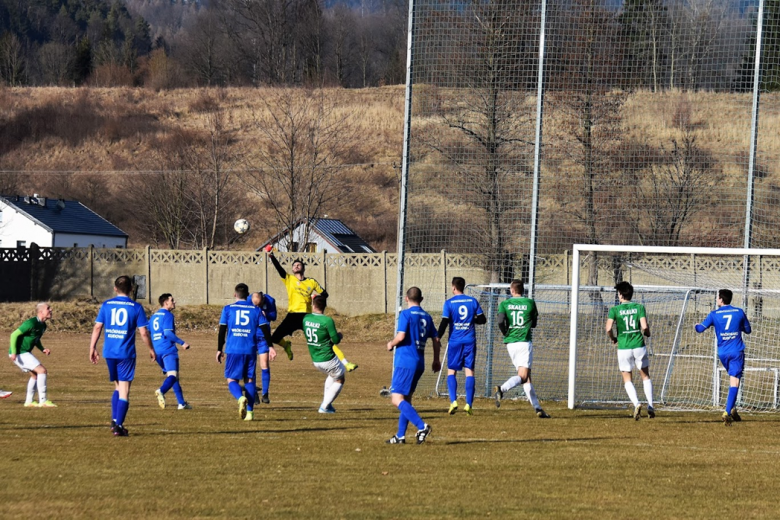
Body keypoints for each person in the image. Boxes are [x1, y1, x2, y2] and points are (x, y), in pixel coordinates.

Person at [267, 251, 357, 371]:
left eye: (298, 264)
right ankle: (286, 345)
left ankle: (346, 363)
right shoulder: (289, 279)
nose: (296, 266)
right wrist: (271, 256)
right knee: (274, 338)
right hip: (293, 315)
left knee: (326, 341)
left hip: (307, 316)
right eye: (294, 265)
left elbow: (325, 294)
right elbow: (279, 269)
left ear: (303, 268)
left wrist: (315, 297)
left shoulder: (311, 282)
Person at [89, 275, 155, 437]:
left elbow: (98, 328)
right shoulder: (136, 307)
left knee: (118, 387)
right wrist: (151, 349)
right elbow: (144, 333)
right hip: (125, 353)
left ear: (115, 288)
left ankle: (114, 420)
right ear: (132, 289)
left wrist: (92, 347)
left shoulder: (106, 305)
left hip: (109, 353)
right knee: (125, 390)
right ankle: (118, 425)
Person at [385, 287, 441, 445]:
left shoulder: (406, 314)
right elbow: (436, 340)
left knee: (396, 399)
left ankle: (422, 426)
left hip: (405, 362)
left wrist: (391, 343)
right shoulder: (427, 316)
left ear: (406, 299)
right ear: (421, 299)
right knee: (406, 399)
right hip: (419, 363)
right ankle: (400, 436)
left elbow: (401, 336)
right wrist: (436, 360)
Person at [493, 279, 551, 418]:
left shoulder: (505, 304)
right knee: (523, 376)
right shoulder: (530, 303)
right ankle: (502, 389)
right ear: (522, 290)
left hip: (510, 344)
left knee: (526, 378)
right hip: (524, 342)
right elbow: (534, 323)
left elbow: (500, 321)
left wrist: (506, 332)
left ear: (512, 290)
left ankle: (538, 409)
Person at [695, 289, 751, 425]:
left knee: (733, 380)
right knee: (735, 381)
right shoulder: (739, 312)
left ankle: (733, 409)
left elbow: (701, 329)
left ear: (720, 299)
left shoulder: (714, 314)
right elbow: (748, 330)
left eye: (717, 297)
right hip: (736, 351)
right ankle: (726, 412)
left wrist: (696, 326)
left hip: (723, 353)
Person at [605, 281, 654, 420]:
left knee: (627, 378)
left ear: (620, 294)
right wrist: (648, 333)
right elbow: (644, 327)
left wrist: (613, 338)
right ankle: (650, 405)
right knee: (645, 376)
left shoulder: (614, 310)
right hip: (639, 345)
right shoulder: (639, 307)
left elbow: (608, 328)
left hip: (624, 347)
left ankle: (637, 403)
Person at [438, 277, 486, 415]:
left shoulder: (449, 303)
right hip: (469, 340)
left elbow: (444, 322)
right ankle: (469, 405)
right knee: (469, 371)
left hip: (455, 341)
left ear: (453, 287)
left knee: (451, 371)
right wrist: (471, 320)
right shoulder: (472, 301)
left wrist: (437, 337)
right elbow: (482, 319)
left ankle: (453, 401)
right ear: (463, 287)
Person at [217, 283, 264, 421]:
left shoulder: (227, 309)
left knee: (231, 379)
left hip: (233, 349)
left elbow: (222, 331)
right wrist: (271, 346)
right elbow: (265, 328)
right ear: (248, 295)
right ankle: (250, 413)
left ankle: (240, 397)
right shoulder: (255, 310)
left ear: (234, 294)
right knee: (249, 380)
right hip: (250, 349)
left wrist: (219, 349)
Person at [303, 295, 346, 413]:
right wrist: (340, 335)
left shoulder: (306, 319)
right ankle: (324, 406)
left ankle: (328, 405)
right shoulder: (327, 321)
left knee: (332, 376)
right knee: (340, 379)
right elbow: (335, 340)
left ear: (313, 305)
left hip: (315, 358)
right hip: (327, 357)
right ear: (325, 306)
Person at [9, 302, 56, 407]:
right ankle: (43, 401)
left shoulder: (43, 325)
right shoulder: (31, 323)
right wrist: (13, 352)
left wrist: (42, 349)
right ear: (41, 312)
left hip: (24, 352)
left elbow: (36, 339)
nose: (51, 310)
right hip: (20, 353)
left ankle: (29, 401)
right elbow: (14, 335)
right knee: (42, 371)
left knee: (35, 375)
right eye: (48, 308)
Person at [150, 294, 191, 410]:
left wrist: (151, 348)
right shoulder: (168, 315)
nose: (174, 302)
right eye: (172, 300)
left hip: (157, 350)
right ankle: (161, 391)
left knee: (173, 376)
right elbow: (167, 333)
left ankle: (181, 403)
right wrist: (182, 343)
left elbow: (148, 332)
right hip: (167, 349)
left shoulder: (153, 317)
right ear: (166, 303)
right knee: (173, 376)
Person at [250, 292, 277, 404]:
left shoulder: (270, 301)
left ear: (262, 300)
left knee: (264, 364)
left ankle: (265, 393)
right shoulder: (248, 299)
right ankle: (254, 393)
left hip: (263, 336)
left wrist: (265, 314)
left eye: (259, 305)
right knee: (251, 366)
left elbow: (274, 317)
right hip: (250, 336)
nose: (256, 308)